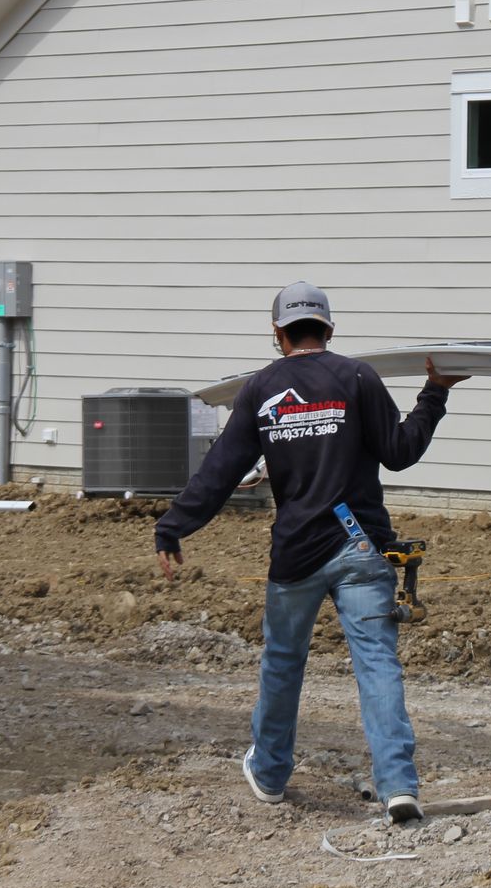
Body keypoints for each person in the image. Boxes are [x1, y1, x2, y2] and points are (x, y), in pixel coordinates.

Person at [153, 281, 462, 823]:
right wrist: (434, 390)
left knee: (282, 663)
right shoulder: (359, 378)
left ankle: (271, 773)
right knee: (377, 666)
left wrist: (175, 525)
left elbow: (221, 469)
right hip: (360, 546)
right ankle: (398, 787)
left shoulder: (260, 389)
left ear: (278, 333)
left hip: (296, 552)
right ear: (329, 329)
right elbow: (401, 452)